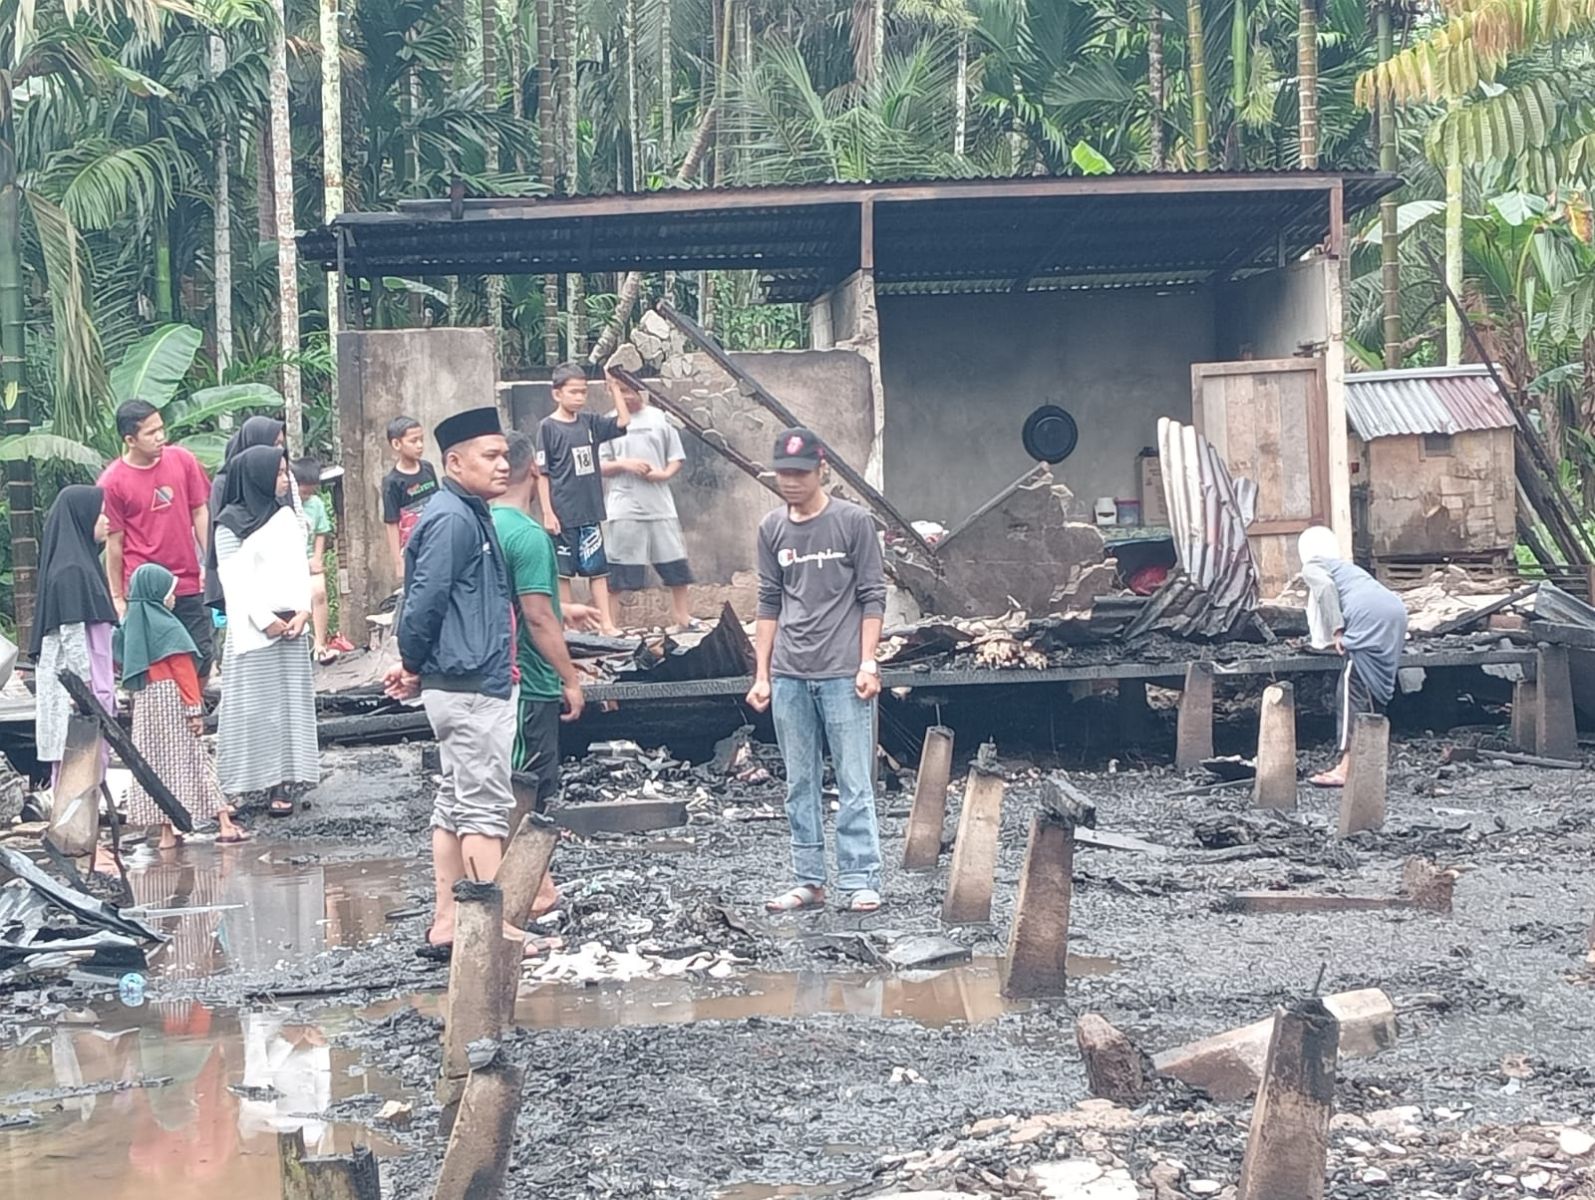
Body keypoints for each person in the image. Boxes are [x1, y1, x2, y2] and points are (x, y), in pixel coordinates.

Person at [384, 407, 548, 961]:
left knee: (455, 804)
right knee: (482, 808)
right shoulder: (454, 519)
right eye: (490, 456)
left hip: (464, 677)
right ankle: (492, 930)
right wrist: (412, 661)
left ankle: (449, 922)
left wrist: (418, 666)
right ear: (454, 463)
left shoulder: (464, 512)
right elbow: (423, 600)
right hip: (471, 683)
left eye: (504, 455)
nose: (503, 464)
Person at [745, 428, 887, 915]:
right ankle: (809, 880)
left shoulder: (853, 522)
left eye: (800, 473)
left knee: (854, 779)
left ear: (821, 470)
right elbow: (769, 601)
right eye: (783, 473)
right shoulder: (771, 529)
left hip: (843, 672)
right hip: (790, 673)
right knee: (799, 782)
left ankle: (860, 878)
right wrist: (762, 673)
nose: (791, 482)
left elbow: (872, 596)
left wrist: (867, 662)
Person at [491, 433, 596, 918]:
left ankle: (535, 885)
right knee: (527, 786)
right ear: (534, 469)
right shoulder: (529, 535)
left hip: (494, 676)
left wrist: (563, 608)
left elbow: (518, 600)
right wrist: (569, 678)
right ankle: (525, 892)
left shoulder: (486, 524)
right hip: (529, 680)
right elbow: (535, 617)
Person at [213, 445, 319, 817]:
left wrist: (304, 611)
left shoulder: (286, 516)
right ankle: (239, 784)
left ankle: (284, 781)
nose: (284, 480)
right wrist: (265, 620)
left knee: (288, 707)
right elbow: (234, 580)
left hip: (291, 627)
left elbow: (298, 568)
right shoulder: (230, 523)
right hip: (254, 630)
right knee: (251, 709)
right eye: (277, 473)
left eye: (285, 472)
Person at [116, 563, 245, 849]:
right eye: (169, 592)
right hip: (173, 700)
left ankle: (166, 833)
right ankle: (224, 822)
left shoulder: (131, 627)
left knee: (155, 766)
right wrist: (194, 711)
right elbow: (185, 674)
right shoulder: (169, 628)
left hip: (145, 704)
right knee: (195, 759)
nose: (173, 598)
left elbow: (120, 658)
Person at [99, 400, 215, 680]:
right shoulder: (112, 482)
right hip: (145, 589)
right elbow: (115, 542)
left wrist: (212, 564)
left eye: (161, 429)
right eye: (151, 433)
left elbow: (200, 511)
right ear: (130, 440)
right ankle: (166, 708)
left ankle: (194, 703)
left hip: (188, 581)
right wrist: (118, 596)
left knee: (202, 654)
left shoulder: (183, 460)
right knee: (155, 663)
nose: (161, 437)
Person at [1298, 524, 1409, 787]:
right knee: (1375, 684)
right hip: (1395, 611)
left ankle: (1346, 767)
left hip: (1368, 615)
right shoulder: (1348, 569)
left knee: (1351, 686)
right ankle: (1371, 762)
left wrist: (1337, 630)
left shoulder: (1314, 566)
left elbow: (1325, 590)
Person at [32, 485, 118, 792]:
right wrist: (83, 688)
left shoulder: (83, 565)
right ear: (83, 517)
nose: (107, 520)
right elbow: (71, 634)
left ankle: (87, 821)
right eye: (100, 514)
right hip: (79, 688)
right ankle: (76, 823)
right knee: (77, 758)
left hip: (91, 684)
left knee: (87, 759)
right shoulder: (71, 570)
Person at [535, 363, 630, 636]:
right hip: (563, 512)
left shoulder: (589, 422)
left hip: (589, 511)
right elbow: (543, 473)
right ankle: (569, 626)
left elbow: (623, 422)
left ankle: (606, 623)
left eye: (583, 392)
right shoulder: (547, 428)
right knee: (563, 572)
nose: (579, 397)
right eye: (573, 392)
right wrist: (547, 512)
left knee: (597, 571)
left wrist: (614, 387)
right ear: (557, 394)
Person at [599, 372, 697, 632]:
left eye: (630, 389)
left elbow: (676, 457)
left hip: (660, 505)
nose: (627, 396)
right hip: (624, 506)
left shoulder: (660, 418)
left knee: (675, 565)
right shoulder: (608, 423)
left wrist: (663, 474)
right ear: (611, 391)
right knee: (618, 571)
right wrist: (625, 464)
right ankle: (610, 625)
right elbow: (600, 466)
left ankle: (683, 618)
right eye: (621, 390)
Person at [203, 416, 285, 615]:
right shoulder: (224, 483)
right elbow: (223, 530)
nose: (279, 449)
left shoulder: (282, 477)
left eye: (281, 444)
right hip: (244, 567)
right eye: (274, 443)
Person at [382, 416, 440, 578]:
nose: (420, 445)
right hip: (413, 547)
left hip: (436, 538)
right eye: (413, 441)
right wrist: (398, 562)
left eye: (421, 440)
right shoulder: (392, 482)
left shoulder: (428, 468)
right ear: (396, 444)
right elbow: (391, 522)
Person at [293, 457, 338, 664]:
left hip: (310, 558)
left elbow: (321, 532)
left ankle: (320, 643)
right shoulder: (286, 506)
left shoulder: (316, 504)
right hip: (289, 562)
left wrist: (317, 558)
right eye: (304, 491)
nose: (307, 495)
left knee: (319, 592)